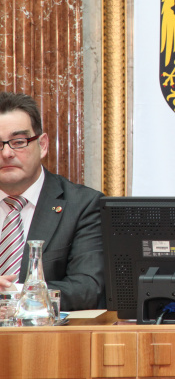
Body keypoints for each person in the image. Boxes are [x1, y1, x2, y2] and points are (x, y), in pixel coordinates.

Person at [0, 92, 104, 310]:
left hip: (45, 340)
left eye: (18, 142)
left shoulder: (83, 205)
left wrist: (16, 295)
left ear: (43, 145)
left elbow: (88, 287)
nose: (7, 153)